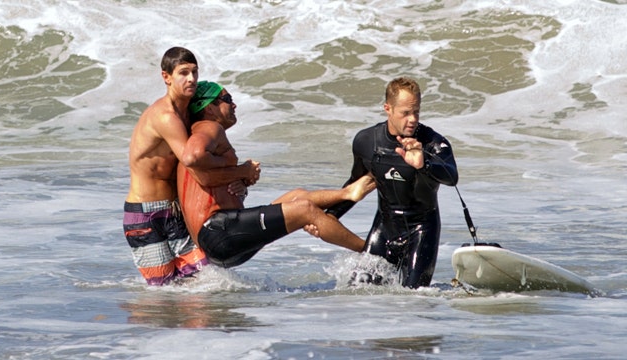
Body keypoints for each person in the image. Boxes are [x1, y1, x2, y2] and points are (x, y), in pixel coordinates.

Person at [176, 81, 376, 268]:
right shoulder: (208, 126)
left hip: (222, 238)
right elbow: (193, 156)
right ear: (209, 107)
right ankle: (372, 252)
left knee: (296, 197)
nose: (234, 105)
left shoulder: (205, 132)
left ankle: (347, 193)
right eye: (227, 100)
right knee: (304, 210)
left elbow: (208, 180)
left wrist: (241, 180)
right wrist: (242, 171)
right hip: (220, 232)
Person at [324, 76, 459, 288]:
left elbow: (451, 176)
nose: (412, 119)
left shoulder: (432, 143)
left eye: (416, 112)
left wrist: (423, 165)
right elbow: (355, 185)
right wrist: (327, 216)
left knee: (414, 298)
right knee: (355, 292)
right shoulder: (367, 141)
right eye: (405, 113)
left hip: (422, 231)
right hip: (384, 230)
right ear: (388, 108)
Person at [123, 47, 227, 286]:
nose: (191, 79)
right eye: (183, 73)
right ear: (166, 77)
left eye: (194, 72)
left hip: (174, 211)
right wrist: (235, 168)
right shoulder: (166, 116)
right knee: (163, 292)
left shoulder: (187, 113)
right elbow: (193, 161)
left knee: (205, 279)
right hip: (145, 215)